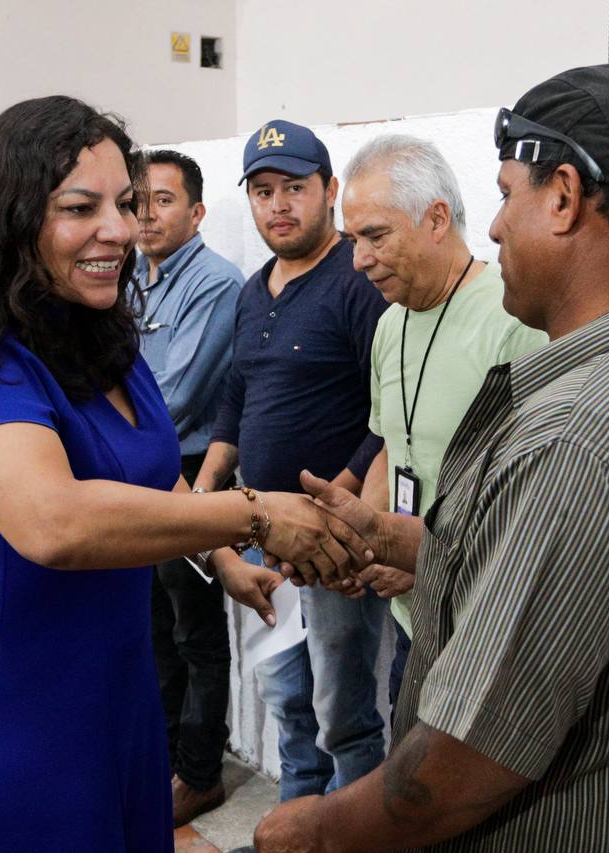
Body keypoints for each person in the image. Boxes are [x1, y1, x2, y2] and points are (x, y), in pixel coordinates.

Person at [0, 95, 361, 852]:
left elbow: (150, 473)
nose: (118, 228)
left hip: (112, 699)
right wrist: (254, 514)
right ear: (9, 217)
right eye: (81, 207)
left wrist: (223, 561)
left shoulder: (97, 332)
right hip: (5, 714)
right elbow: (53, 520)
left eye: (127, 203)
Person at [252, 62, 609, 852]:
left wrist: (319, 830)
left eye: (505, 194)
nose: (491, 229)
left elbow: (457, 765)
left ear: (561, 195)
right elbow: (566, 571)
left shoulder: (579, 439)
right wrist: (390, 537)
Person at [195, 119, 389, 802]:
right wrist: (207, 489)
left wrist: (332, 496)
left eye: (295, 188)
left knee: (344, 709)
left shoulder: (358, 280)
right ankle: (297, 817)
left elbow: (387, 410)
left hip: (334, 539)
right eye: (263, 190)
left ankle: (352, 831)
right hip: (258, 533)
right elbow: (237, 394)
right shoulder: (255, 290)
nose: (278, 205)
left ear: (329, 190)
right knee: (284, 692)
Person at [339, 134, 545, 712]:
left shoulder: (512, 322)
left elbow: (530, 495)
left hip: (483, 628)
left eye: (374, 236)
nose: (358, 260)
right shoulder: (389, 324)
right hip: (411, 621)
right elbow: (390, 444)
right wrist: (373, 540)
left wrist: (424, 557)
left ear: (435, 219)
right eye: (353, 240)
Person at [131, 148, 244, 825]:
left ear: (197, 211)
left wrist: (102, 432)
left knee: (196, 637)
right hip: (138, 478)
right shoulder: (132, 280)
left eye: (164, 200)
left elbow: (172, 397)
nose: (147, 214)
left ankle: (200, 772)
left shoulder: (214, 282)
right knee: (154, 632)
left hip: (190, 480)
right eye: (138, 200)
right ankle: (167, 755)